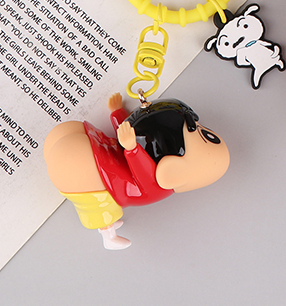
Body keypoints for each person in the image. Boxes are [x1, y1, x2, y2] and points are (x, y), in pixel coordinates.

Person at [43, 93, 229, 249]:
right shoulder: (153, 162)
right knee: (69, 133)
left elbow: (142, 175)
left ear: (174, 172)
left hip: (102, 180)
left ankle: (109, 238)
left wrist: (132, 149)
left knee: (100, 207)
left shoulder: (159, 187)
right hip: (105, 152)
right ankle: (107, 229)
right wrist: (118, 113)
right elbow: (129, 132)